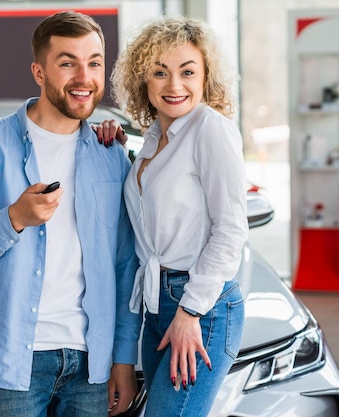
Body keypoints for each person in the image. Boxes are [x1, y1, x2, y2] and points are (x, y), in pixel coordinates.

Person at [0, 10, 141, 417]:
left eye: (94, 62)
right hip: (11, 363)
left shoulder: (110, 153)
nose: (84, 77)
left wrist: (122, 359)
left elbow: (124, 265)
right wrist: (13, 219)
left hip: (91, 364)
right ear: (39, 72)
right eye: (67, 62)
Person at [108, 16, 248, 417]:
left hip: (198, 305)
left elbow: (230, 228)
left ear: (205, 78)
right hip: (157, 305)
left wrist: (190, 311)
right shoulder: (153, 139)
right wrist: (113, 143)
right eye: (160, 72)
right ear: (143, 80)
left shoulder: (211, 130)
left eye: (188, 72)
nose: (174, 86)